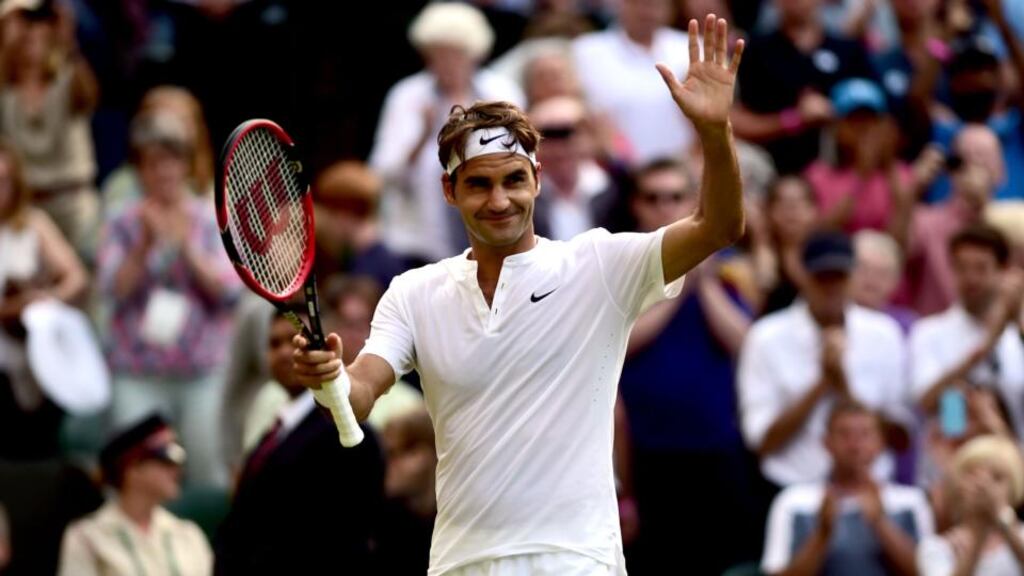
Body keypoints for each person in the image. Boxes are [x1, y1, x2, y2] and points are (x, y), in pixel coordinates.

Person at [292, 15, 746, 575]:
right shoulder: (414, 292)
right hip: (463, 563)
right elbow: (360, 394)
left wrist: (713, 132)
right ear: (449, 191)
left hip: (576, 561)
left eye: (512, 179)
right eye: (478, 184)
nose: (499, 199)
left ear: (536, 178)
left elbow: (718, 227)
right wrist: (330, 376)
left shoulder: (598, 264)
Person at [618, 156, 761, 575]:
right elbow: (616, 344)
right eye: (653, 197)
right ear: (637, 206)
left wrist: (709, 282)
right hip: (644, 453)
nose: (665, 207)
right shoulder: (618, 269)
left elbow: (745, 343)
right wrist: (678, 288)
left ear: (690, 203)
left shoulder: (725, 267)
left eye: (675, 197)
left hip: (715, 446)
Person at [97, 110, 241, 486]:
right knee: (133, 470)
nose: (164, 173)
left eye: (172, 162)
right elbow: (112, 289)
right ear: (139, 171)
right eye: (153, 164)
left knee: (208, 470)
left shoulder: (211, 219)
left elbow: (229, 291)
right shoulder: (121, 221)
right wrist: (145, 246)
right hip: (137, 369)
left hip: (201, 371)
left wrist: (186, 249)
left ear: (186, 167)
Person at [214, 308, 384, 575]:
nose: (283, 352)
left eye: (295, 340)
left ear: (326, 348)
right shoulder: (273, 431)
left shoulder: (350, 436)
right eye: (274, 343)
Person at [738, 230, 913, 490]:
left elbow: (900, 438)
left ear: (853, 277)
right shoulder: (765, 337)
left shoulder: (884, 333)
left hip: (869, 487)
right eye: (822, 278)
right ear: (803, 277)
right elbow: (761, 441)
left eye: (839, 277)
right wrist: (821, 383)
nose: (831, 288)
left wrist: (842, 385)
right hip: (789, 486)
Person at [369, 2, 524, 265]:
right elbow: (382, 173)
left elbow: (521, 157)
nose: (446, 62)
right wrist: (422, 135)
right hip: (417, 244)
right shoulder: (406, 95)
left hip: (492, 231)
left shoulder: (501, 90)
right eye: (438, 53)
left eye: (456, 53)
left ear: (475, 53)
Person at [761, 400, 933, 576]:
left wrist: (881, 523)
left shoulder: (911, 501)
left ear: (881, 442)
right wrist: (822, 535)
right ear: (826, 443)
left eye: (865, 434)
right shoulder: (793, 501)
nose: (855, 445)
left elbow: (928, 572)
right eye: (844, 435)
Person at [0, 137, 88, 460]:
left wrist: (44, 299)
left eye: (3, 181)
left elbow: (76, 277)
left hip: (31, 365)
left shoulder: (33, 225)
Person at [0, 0, 100, 257]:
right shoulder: (6, 92)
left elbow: (89, 96)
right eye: (25, 21)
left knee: (84, 279)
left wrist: (67, 40)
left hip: (73, 203)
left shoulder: (69, 76)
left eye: (39, 20)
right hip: (26, 209)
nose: (32, 30)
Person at [732, 0, 877, 175]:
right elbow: (736, 121)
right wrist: (795, 119)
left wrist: (833, 115)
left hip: (839, 171)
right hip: (771, 168)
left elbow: (876, 119)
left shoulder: (847, 50)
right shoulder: (756, 50)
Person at [58, 414, 212, 576]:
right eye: (165, 459)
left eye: (179, 460)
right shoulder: (87, 538)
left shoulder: (188, 535)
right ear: (132, 468)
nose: (176, 470)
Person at [910, 225, 1024, 437]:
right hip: (952, 459)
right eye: (961, 268)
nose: (971, 278)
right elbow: (926, 402)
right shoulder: (930, 332)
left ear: (1003, 271)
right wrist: (983, 348)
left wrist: (1016, 323)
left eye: (981, 268)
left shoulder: (1018, 334)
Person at [571, 0, 694, 165]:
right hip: (614, 171)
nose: (646, 11)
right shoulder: (585, 51)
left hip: (681, 172)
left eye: (656, 4)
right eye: (637, 3)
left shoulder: (692, 47)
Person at [917, 435, 1024, 576]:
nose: (984, 487)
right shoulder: (937, 548)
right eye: (974, 475)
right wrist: (979, 535)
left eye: (997, 477)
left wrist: (1001, 516)